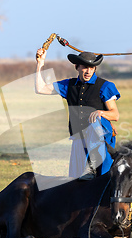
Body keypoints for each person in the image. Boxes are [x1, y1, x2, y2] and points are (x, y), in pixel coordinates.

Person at [35, 48, 120, 180]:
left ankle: (91, 165)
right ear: (77, 67)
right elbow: (40, 89)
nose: (88, 71)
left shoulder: (105, 86)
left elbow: (115, 115)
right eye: (85, 67)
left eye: (92, 68)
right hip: (79, 140)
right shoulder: (69, 86)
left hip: (102, 142)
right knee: (75, 182)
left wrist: (101, 112)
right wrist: (40, 63)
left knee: (105, 181)